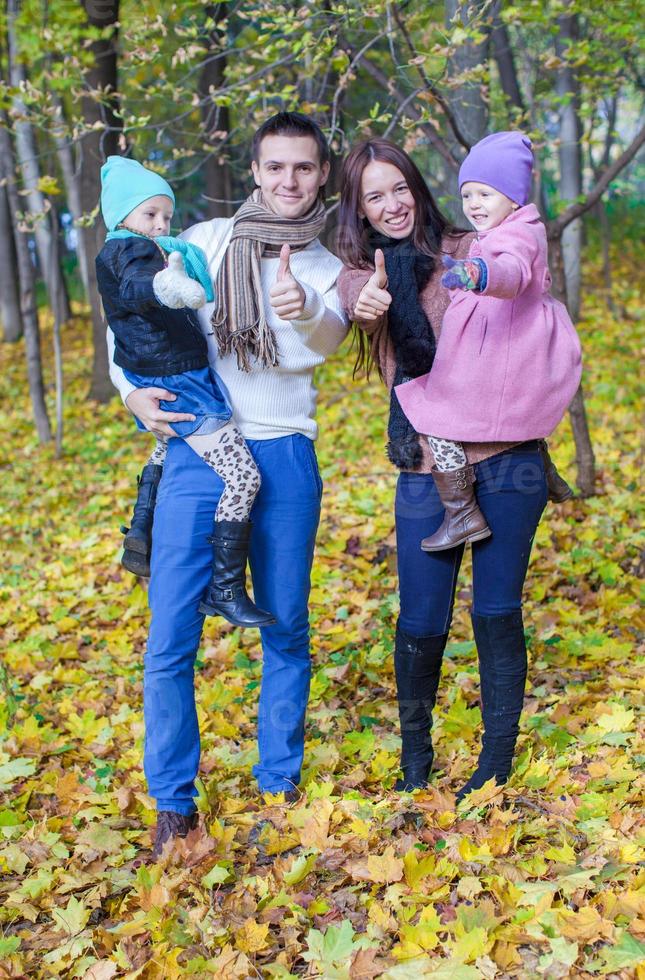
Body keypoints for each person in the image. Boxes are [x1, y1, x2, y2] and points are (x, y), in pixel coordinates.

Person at [107, 112, 348, 856]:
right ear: (254, 170)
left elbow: (324, 341)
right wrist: (131, 395)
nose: (288, 181)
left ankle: (278, 787)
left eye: (302, 169)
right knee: (171, 634)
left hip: (283, 455)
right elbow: (132, 322)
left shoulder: (326, 266)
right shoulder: (202, 241)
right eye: (275, 167)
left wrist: (300, 311)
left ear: (320, 176)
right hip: (196, 450)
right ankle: (173, 805)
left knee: (283, 625)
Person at [337, 137, 578, 802]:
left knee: (495, 612)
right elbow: (350, 291)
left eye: (398, 188)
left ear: (418, 185)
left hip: (508, 463)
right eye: (373, 196)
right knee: (420, 619)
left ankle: (494, 763)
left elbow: (512, 267)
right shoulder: (364, 268)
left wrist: (488, 269)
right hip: (424, 470)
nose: (390, 204)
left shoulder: (475, 241)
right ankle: (415, 761)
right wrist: (359, 300)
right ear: (357, 209)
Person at [97, 156, 274, 629]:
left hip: (175, 375)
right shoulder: (127, 253)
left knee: (163, 446)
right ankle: (225, 587)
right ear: (121, 217)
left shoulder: (148, 248)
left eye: (165, 215)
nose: (159, 225)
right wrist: (167, 284)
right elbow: (138, 288)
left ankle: (140, 531)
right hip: (179, 382)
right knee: (243, 479)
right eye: (149, 214)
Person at [395, 132, 581, 553]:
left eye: (485, 193)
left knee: (435, 419)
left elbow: (512, 272)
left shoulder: (517, 235)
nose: (473, 203)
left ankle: (461, 513)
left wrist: (478, 275)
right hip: (505, 349)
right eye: (467, 194)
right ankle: (546, 471)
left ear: (513, 197)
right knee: (515, 412)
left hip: (503, 350)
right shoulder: (511, 226)